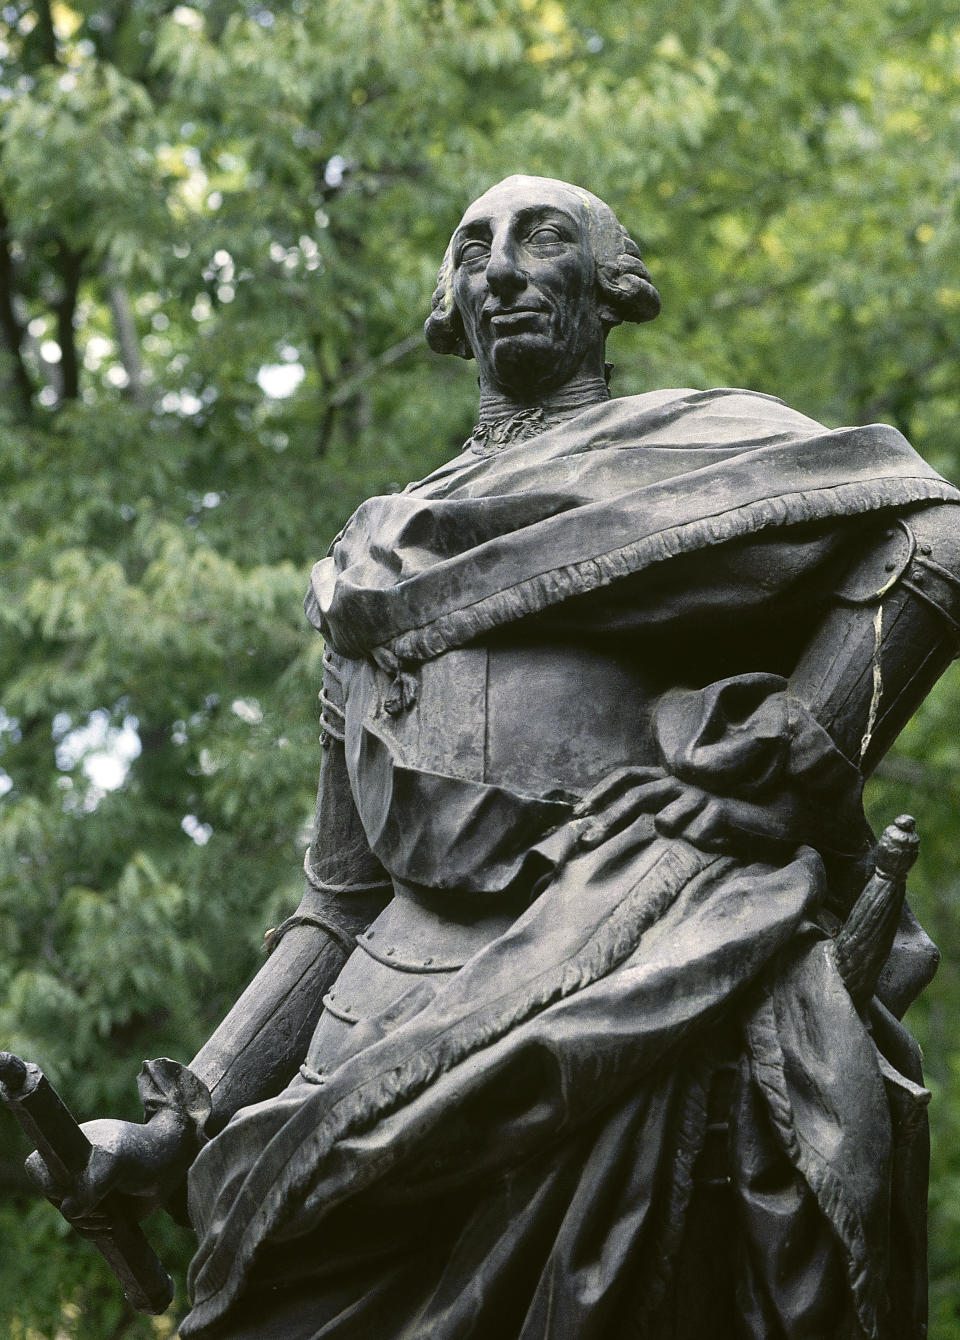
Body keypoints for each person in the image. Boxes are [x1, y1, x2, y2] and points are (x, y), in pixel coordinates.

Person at [29, 177, 960, 1339]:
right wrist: (190, 1115)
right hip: (375, 1030)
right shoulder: (372, 563)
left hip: (631, 967)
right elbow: (340, 897)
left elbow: (937, 537)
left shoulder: (694, 455)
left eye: (544, 238)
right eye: (476, 248)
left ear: (614, 285)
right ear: (452, 303)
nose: (506, 266)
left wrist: (773, 770)